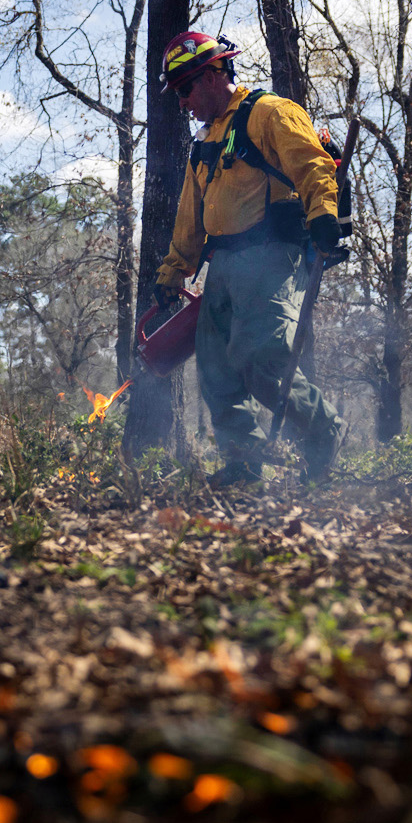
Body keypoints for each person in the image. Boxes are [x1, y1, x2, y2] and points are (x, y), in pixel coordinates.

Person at [151, 31, 347, 485]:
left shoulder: (271, 113)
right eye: (177, 92)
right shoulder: (204, 141)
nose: (182, 103)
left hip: (272, 257)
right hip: (222, 267)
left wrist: (322, 214)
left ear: (216, 75)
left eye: (185, 89)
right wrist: (174, 269)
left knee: (261, 361)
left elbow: (313, 164)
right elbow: (190, 216)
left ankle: (323, 429)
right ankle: (243, 465)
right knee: (217, 371)